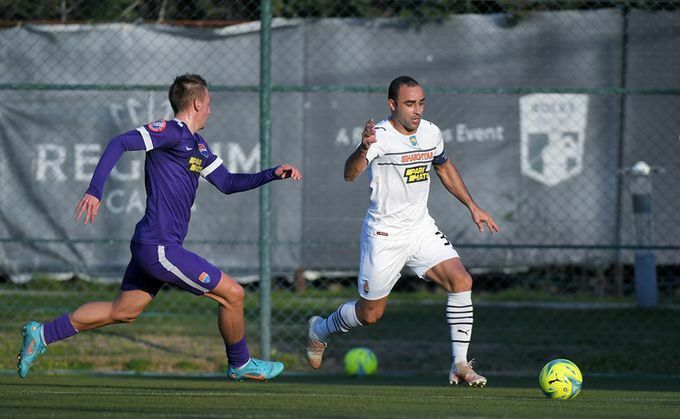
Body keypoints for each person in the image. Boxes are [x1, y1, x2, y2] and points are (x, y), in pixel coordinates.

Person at [17, 74, 302, 381]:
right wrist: (95, 190)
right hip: (160, 248)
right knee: (233, 294)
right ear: (197, 103)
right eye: (208, 103)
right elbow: (119, 142)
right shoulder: (171, 132)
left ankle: (42, 334)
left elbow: (228, 182)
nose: (211, 110)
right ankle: (240, 363)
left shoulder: (198, 145)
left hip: (152, 245)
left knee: (122, 311)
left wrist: (272, 173)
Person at [305, 76, 499, 386]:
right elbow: (350, 174)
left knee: (461, 280)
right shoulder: (380, 137)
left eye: (421, 103)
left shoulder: (431, 133)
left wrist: (472, 206)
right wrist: (363, 148)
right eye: (410, 104)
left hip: (420, 228)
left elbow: (444, 167)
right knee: (370, 315)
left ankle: (460, 364)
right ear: (392, 105)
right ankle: (320, 329)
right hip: (384, 235)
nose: (417, 110)